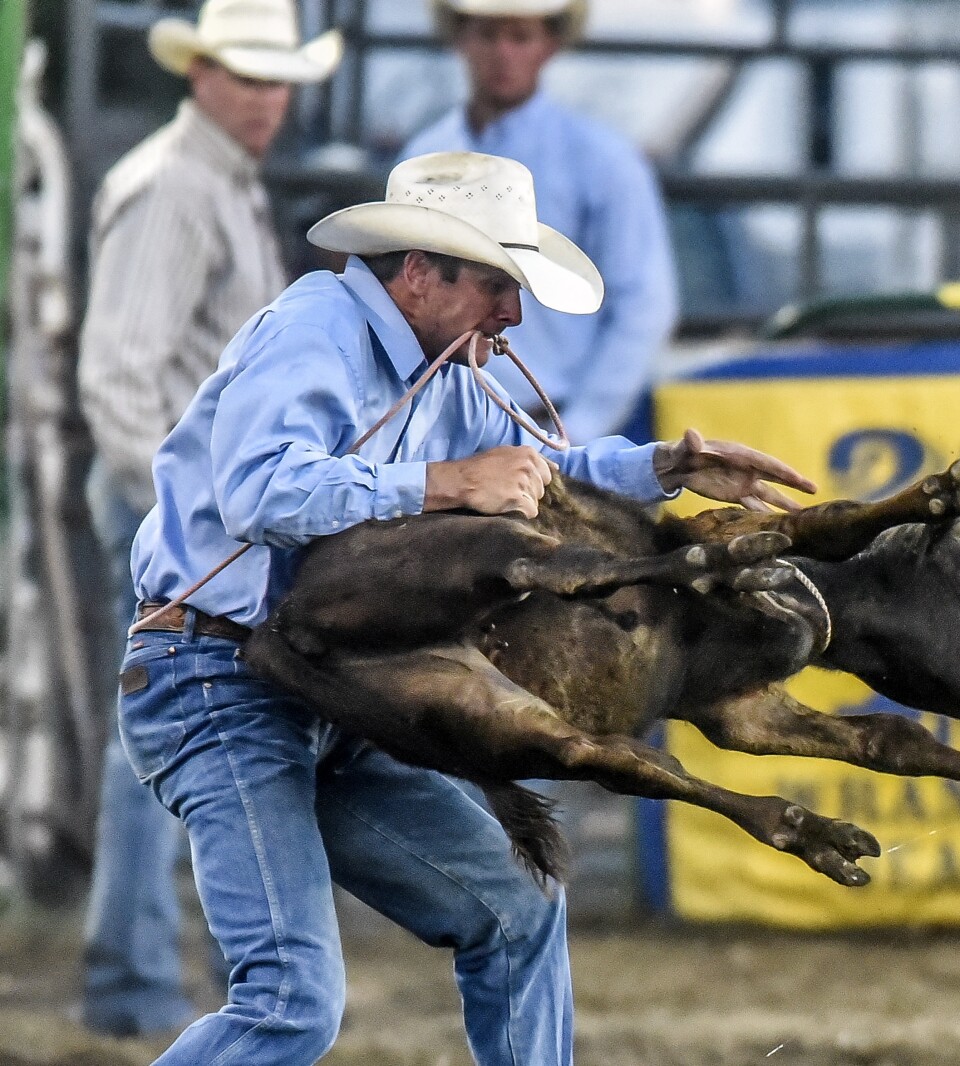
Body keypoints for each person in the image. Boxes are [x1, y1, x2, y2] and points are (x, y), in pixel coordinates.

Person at [117, 149, 812, 1065]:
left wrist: (665, 468)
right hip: (214, 677)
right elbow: (259, 492)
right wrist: (445, 483)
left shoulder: (442, 373)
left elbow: (540, 473)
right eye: (495, 284)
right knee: (291, 999)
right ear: (418, 272)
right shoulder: (313, 332)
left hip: (332, 684)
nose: (513, 312)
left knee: (519, 912)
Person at [74, 0, 341, 1037]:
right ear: (201, 73)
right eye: (248, 76)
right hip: (180, 520)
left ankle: (146, 977)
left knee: (172, 735)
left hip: (193, 515)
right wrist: (182, 533)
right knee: (167, 734)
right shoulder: (180, 188)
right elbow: (118, 380)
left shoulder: (209, 178)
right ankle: (133, 980)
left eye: (279, 80)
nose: (267, 99)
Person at [403, 0, 678, 441]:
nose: (503, 53)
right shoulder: (423, 155)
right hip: (441, 424)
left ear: (550, 44)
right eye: (488, 34)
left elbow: (643, 305)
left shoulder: (602, 160)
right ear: (462, 38)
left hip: (548, 416)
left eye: (520, 37)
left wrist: (579, 429)